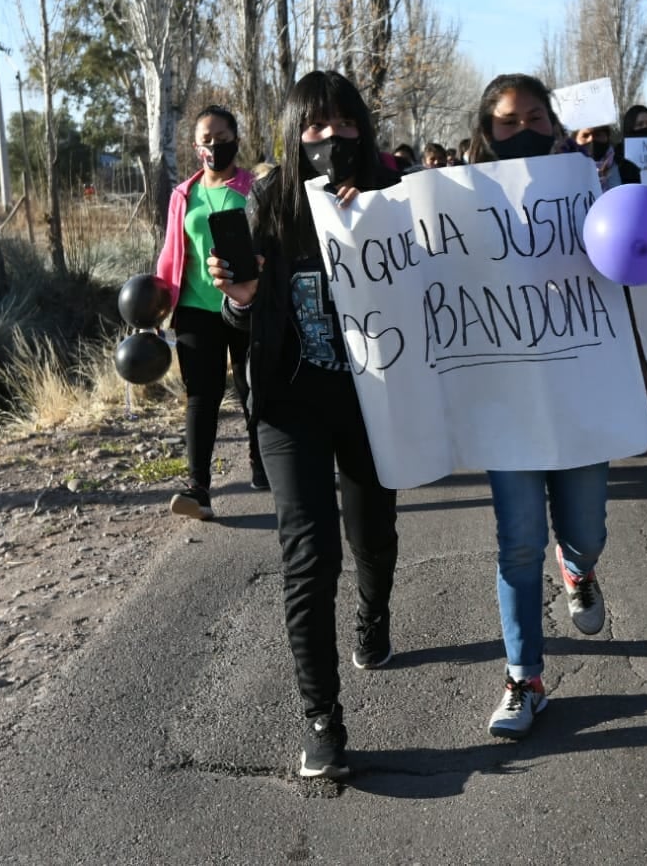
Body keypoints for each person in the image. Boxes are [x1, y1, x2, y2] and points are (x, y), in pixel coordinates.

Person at [208, 70, 400, 780]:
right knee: (310, 555)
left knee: (372, 531)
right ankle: (322, 717)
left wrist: (380, 214)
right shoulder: (268, 200)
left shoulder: (395, 192)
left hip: (375, 400)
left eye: (343, 124)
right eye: (314, 127)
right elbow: (241, 314)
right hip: (290, 402)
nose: (330, 138)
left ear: (363, 129)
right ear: (293, 134)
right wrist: (240, 297)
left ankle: (373, 616)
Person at [467, 72, 647, 739]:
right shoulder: (451, 201)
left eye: (532, 116)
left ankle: (578, 567)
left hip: (580, 392)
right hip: (505, 404)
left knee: (586, 529)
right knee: (517, 543)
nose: (519, 129)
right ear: (484, 129)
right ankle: (523, 678)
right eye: (504, 119)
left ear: (552, 123)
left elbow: (625, 287)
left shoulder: (587, 191)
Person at [154, 105, 263, 520]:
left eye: (222, 137)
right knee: (202, 395)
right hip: (196, 309)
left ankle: (260, 460)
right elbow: (170, 254)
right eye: (207, 139)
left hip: (245, 302)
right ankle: (198, 487)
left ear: (236, 138)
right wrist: (158, 304)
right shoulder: (184, 195)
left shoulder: (254, 189)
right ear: (196, 147)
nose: (215, 146)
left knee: (252, 387)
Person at [573, 121, 642, 189]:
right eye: (585, 135)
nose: (592, 140)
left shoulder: (626, 167)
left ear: (607, 137)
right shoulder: (568, 171)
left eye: (598, 135)